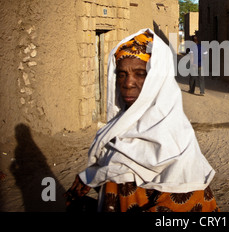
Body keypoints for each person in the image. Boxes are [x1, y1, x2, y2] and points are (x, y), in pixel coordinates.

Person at [64, 29, 219, 212]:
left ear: (158, 79)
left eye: (140, 73)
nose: (128, 83)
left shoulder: (178, 142)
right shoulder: (115, 130)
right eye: (122, 74)